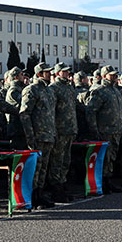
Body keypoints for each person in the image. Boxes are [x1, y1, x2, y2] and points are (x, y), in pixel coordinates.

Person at [20, 62, 58, 207]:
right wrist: (30, 137)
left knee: (43, 168)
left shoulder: (48, 91)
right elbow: (24, 114)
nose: (50, 74)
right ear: (39, 74)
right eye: (47, 72)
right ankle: (32, 196)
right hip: (38, 135)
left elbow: (51, 114)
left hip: (48, 135)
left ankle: (39, 194)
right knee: (35, 168)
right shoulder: (31, 90)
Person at [48, 63, 78, 201]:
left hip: (70, 129)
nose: (67, 74)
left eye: (68, 72)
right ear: (58, 73)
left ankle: (62, 184)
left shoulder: (69, 87)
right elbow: (51, 111)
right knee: (57, 160)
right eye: (64, 72)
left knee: (66, 159)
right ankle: (55, 188)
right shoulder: (54, 88)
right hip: (60, 129)